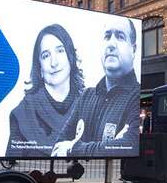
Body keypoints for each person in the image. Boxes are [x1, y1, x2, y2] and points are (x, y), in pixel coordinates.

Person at [52, 18, 140, 157]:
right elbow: (58, 146)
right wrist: (109, 146)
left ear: (133, 49)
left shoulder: (136, 96)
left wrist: (72, 148)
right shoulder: (86, 96)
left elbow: (129, 145)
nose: (111, 44)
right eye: (107, 36)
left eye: (120, 36)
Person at [6, 24, 84, 157]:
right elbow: (12, 163)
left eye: (60, 51)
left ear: (70, 57)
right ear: (40, 68)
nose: (54, 63)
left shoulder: (89, 106)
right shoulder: (22, 113)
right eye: (46, 56)